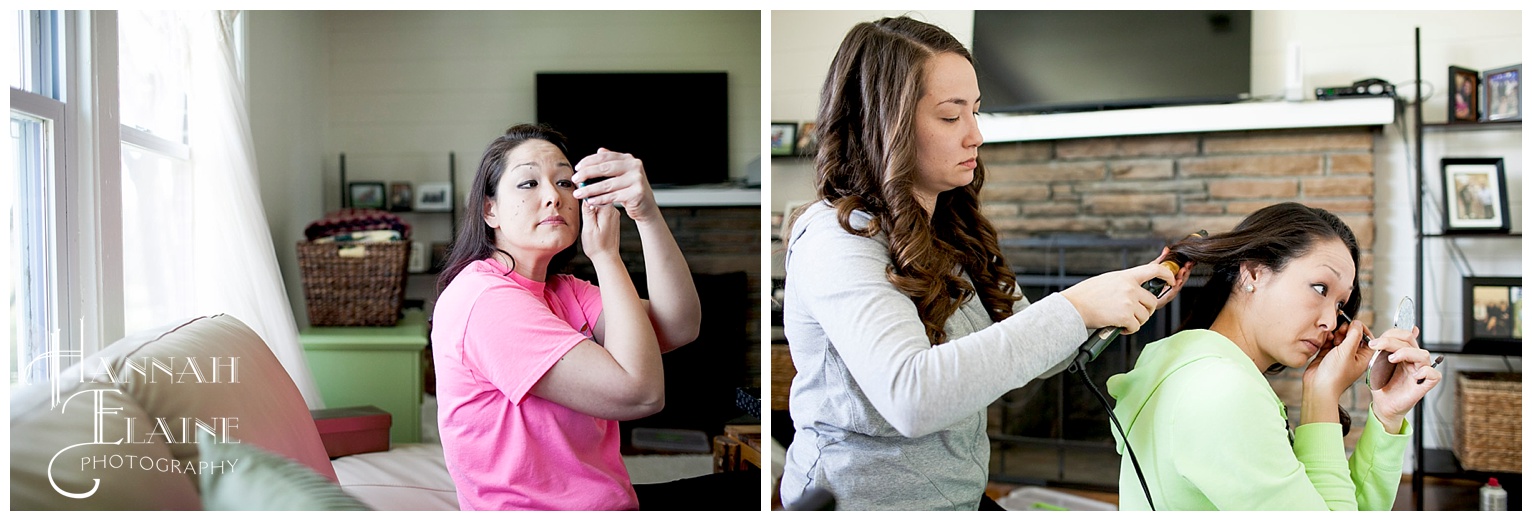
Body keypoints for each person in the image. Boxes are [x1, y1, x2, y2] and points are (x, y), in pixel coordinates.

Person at [778, 16, 1189, 511]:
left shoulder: (948, 226)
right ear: (881, 124)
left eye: (976, 111)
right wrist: (1076, 308)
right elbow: (912, 398)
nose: (975, 135)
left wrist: (1112, 299)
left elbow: (1040, 348)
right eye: (951, 117)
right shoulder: (837, 240)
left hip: (959, 499)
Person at [431, 123, 709, 510]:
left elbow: (679, 325)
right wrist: (606, 256)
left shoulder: (562, 289)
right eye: (529, 184)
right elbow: (641, 395)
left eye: (564, 183)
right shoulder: (485, 300)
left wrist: (645, 214)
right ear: (489, 209)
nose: (554, 197)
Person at [1106, 202, 1441, 510]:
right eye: (1320, 288)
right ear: (1253, 273)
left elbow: (1332, 506)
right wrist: (1322, 394)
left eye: (1339, 305)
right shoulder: (1222, 392)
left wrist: (1386, 415)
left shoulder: (1188, 366)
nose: (1329, 320)